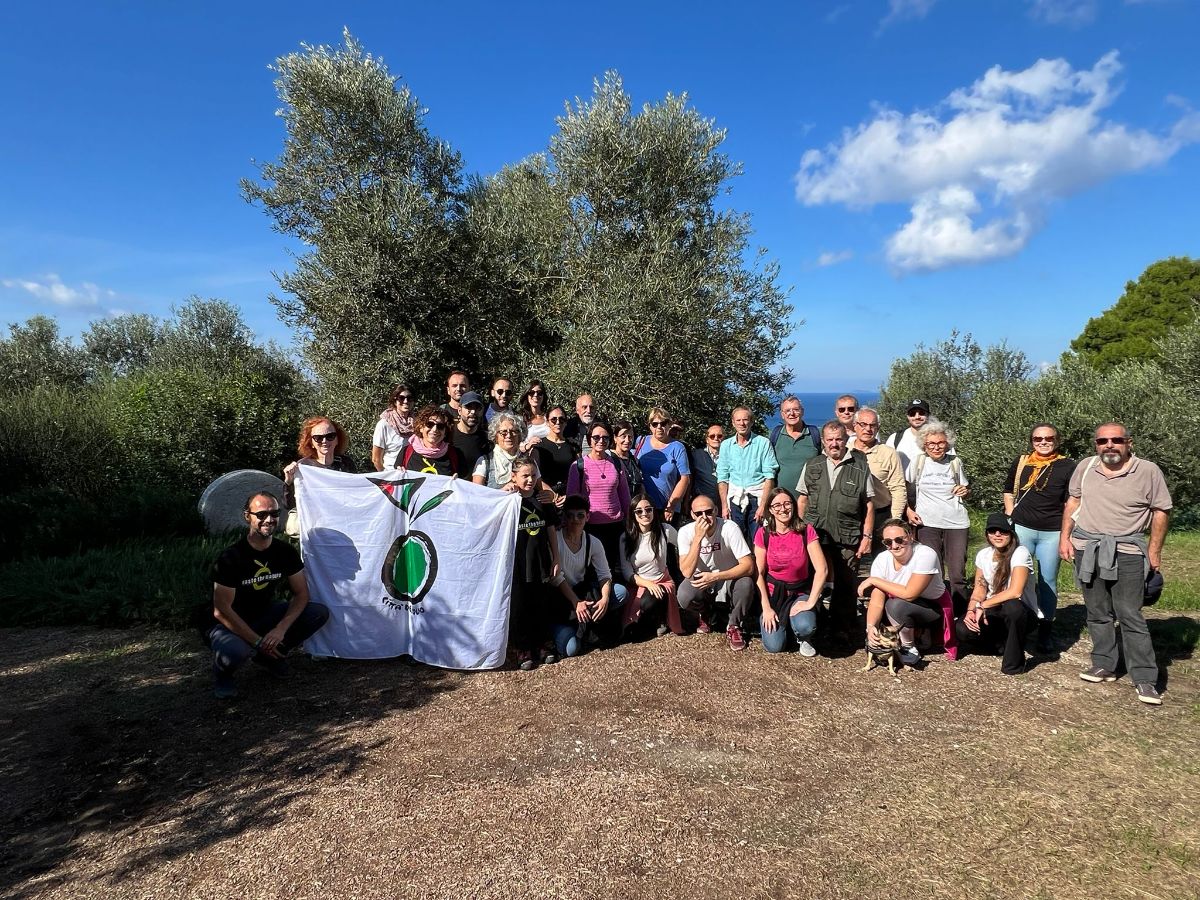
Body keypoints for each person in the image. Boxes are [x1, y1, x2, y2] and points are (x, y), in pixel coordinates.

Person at [1060, 422, 1172, 706]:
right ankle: (1104, 664)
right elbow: (1073, 503)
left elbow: (1160, 512)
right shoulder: (1086, 467)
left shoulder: (1148, 471)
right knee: (1097, 611)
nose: (1109, 445)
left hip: (1128, 551)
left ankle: (1145, 678)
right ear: (1096, 444)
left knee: (1130, 614)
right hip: (1088, 548)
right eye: (1102, 441)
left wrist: (1154, 551)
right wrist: (1065, 538)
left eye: (1116, 440)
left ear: (1128, 443)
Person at [207, 492, 330, 699]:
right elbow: (221, 611)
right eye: (261, 514)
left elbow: (301, 594)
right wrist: (257, 642)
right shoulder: (231, 557)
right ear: (248, 516)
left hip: (264, 613)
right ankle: (223, 674)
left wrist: (280, 629)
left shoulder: (284, 552)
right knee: (235, 653)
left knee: (317, 613)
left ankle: (269, 658)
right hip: (229, 622)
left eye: (274, 513)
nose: (269, 519)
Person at [796, 421, 874, 645]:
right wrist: (800, 532)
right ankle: (813, 624)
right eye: (829, 440)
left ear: (845, 440)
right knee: (811, 579)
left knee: (845, 583)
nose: (834, 444)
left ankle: (841, 629)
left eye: (838, 439)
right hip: (816, 534)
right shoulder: (812, 465)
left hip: (847, 535)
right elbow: (802, 499)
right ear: (823, 441)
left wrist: (867, 537)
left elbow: (868, 505)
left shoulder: (859, 467)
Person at [1003, 424, 1077, 653]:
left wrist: (1067, 534)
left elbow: (1071, 502)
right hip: (1022, 527)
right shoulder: (1023, 461)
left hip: (1052, 532)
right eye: (1038, 438)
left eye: (1048, 438)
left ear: (1057, 440)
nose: (1043, 442)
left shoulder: (1067, 465)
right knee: (1017, 578)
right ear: (1031, 440)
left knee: (1047, 582)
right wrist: (1010, 515)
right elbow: (1008, 490)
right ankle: (1018, 626)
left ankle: (1045, 630)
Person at [858, 518, 956, 668]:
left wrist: (875, 580)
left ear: (910, 536)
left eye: (899, 540)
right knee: (889, 609)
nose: (895, 546)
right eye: (888, 542)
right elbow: (877, 600)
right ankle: (919, 634)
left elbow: (910, 593)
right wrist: (871, 626)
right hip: (906, 605)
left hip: (933, 607)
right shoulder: (882, 559)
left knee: (896, 605)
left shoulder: (925, 554)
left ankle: (909, 646)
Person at [956, 513, 1034, 675]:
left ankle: (1014, 665)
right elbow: (979, 588)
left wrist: (983, 605)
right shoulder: (984, 555)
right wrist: (971, 610)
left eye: (1003, 531)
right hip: (994, 610)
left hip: (1022, 612)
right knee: (962, 629)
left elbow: (1015, 592)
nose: (997, 534)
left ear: (1011, 533)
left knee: (1013, 608)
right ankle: (1002, 644)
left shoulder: (1021, 552)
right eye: (992, 531)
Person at [550, 494, 628, 656]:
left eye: (580, 515)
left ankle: (587, 622)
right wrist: (576, 602)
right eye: (570, 516)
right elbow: (556, 577)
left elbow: (605, 575)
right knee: (571, 650)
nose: (575, 520)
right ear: (564, 517)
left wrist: (605, 599)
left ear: (587, 517)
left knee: (620, 592)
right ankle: (558, 630)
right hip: (561, 599)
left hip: (582, 593)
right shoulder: (555, 540)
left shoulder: (593, 542)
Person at [905, 420, 970, 614]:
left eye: (940, 443)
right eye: (931, 444)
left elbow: (965, 488)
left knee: (958, 573)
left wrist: (965, 491)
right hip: (927, 523)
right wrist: (908, 511)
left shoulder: (955, 462)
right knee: (933, 571)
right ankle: (938, 613)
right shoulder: (918, 462)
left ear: (947, 443)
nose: (936, 447)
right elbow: (907, 490)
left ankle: (959, 614)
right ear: (924, 445)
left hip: (956, 522)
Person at [755, 488, 828, 656]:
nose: (783, 509)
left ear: (794, 506)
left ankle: (803, 635)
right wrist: (766, 607)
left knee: (805, 626)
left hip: (799, 591)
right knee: (774, 647)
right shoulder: (763, 534)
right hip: (775, 594)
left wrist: (810, 601)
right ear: (771, 510)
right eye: (777, 505)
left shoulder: (806, 531)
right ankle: (784, 626)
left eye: (787, 503)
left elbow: (822, 569)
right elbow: (758, 573)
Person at [677, 494, 755, 650]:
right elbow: (686, 571)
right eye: (698, 514)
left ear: (716, 511)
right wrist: (698, 538)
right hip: (702, 579)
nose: (704, 517)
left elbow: (748, 566)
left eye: (708, 512)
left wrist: (716, 576)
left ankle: (734, 625)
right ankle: (705, 614)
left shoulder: (729, 527)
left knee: (746, 583)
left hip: (727, 577)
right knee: (684, 595)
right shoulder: (685, 532)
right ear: (692, 515)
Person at [507, 455, 561, 671]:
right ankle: (523, 648)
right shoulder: (509, 501)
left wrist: (556, 557)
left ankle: (542, 644)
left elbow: (551, 530)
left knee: (540, 604)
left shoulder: (543, 499)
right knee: (520, 607)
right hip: (518, 564)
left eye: (533, 475)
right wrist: (503, 491)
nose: (529, 480)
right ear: (514, 477)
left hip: (541, 560)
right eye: (524, 476)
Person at [565, 420, 630, 575]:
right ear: (589, 440)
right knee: (591, 571)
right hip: (590, 526)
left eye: (605, 438)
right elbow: (571, 499)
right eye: (596, 437)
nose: (601, 441)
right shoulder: (578, 466)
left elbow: (625, 496)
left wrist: (630, 523)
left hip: (615, 526)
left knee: (612, 569)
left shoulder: (616, 463)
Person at [620, 494, 685, 637]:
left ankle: (661, 618)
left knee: (648, 602)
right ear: (633, 514)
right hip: (638, 584)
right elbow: (626, 572)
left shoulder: (666, 530)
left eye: (648, 509)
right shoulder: (626, 538)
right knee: (638, 618)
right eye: (639, 511)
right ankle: (648, 621)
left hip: (662, 581)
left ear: (654, 511)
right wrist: (648, 584)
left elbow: (684, 547)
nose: (645, 514)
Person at [850, 407, 907, 564]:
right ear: (854, 425)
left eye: (872, 425)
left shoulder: (888, 453)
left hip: (880, 514)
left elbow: (898, 488)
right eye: (863, 424)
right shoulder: (845, 451)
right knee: (849, 560)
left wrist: (895, 520)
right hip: (851, 514)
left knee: (884, 561)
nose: (868, 429)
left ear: (878, 428)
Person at [717, 406, 778, 544]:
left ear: (751, 422)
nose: (742, 423)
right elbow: (722, 477)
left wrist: (763, 506)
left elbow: (769, 476)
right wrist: (724, 506)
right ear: (733, 423)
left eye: (745, 419)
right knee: (736, 540)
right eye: (738, 420)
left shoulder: (763, 443)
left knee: (759, 540)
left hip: (757, 498)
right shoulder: (726, 445)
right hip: (734, 498)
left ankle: (758, 566)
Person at [283, 416, 357, 512]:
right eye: (318, 438)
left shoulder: (346, 464)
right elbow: (289, 505)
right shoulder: (303, 466)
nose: (324, 441)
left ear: (337, 440)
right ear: (311, 443)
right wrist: (288, 481)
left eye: (330, 436)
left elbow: (356, 493)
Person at [635, 407, 692, 522]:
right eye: (655, 424)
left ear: (669, 425)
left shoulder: (677, 447)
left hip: (668, 508)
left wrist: (670, 506)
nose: (659, 427)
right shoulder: (640, 442)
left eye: (663, 423)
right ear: (650, 426)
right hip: (643, 508)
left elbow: (685, 478)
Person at [770, 396, 820, 495]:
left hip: (810, 498)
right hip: (782, 501)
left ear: (802, 412)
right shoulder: (775, 435)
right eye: (787, 410)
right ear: (782, 415)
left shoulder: (815, 434)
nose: (792, 414)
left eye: (796, 410)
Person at [398, 405, 462, 477]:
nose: (434, 429)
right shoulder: (406, 452)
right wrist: (398, 474)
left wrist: (457, 481)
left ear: (446, 432)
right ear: (421, 428)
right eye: (429, 424)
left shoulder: (455, 455)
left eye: (440, 426)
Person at [474, 411, 530, 490]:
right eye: (503, 432)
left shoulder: (528, 460)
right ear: (495, 436)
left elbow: (538, 486)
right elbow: (476, 494)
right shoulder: (485, 462)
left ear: (520, 435)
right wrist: (502, 492)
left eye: (513, 431)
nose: (509, 436)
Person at [534, 406, 577, 498]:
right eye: (553, 419)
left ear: (566, 422)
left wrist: (568, 494)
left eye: (561, 419)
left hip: (568, 497)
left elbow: (577, 474)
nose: (558, 422)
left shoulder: (573, 446)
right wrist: (552, 495)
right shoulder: (538, 446)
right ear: (547, 422)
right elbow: (535, 475)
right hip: (544, 497)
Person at [371, 384, 415, 471]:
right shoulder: (384, 424)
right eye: (401, 398)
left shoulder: (417, 424)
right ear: (395, 401)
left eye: (409, 398)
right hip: (391, 475)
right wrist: (385, 478)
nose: (406, 401)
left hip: (412, 474)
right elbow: (376, 459)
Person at [451, 391, 490, 478]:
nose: (473, 412)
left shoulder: (487, 439)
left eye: (477, 408)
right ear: (459, 410)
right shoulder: (448, 435)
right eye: (468, 407)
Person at [886, 399, 930, 470]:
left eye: (921, 413)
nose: (917, 417)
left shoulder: (938, 438)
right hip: (902, 481)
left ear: (928, 415)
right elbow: (887, 464)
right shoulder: (895, 438)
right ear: (908, 416)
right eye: (912, 414)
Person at [689, 423, 724, 507]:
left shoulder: (730, 456)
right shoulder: (696, 455)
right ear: (707, 439)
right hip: (702, 505)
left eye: (719, 436)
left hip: (724, 503)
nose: (716, 438)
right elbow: (689, 479)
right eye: (712, 436)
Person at [612, 419, 645, 498]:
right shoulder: (610, 459)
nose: (627, 440)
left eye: (630, 436)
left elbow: (641, 486)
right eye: (623, 436)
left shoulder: (634, 460)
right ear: (615, 438)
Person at [520, 380, 551, 445]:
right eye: (531, 392)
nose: (536, 395)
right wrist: (528, 445)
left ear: (543, 396)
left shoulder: (550, 417)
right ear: (527, 396)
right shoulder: (520, 418)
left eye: (539, 393)